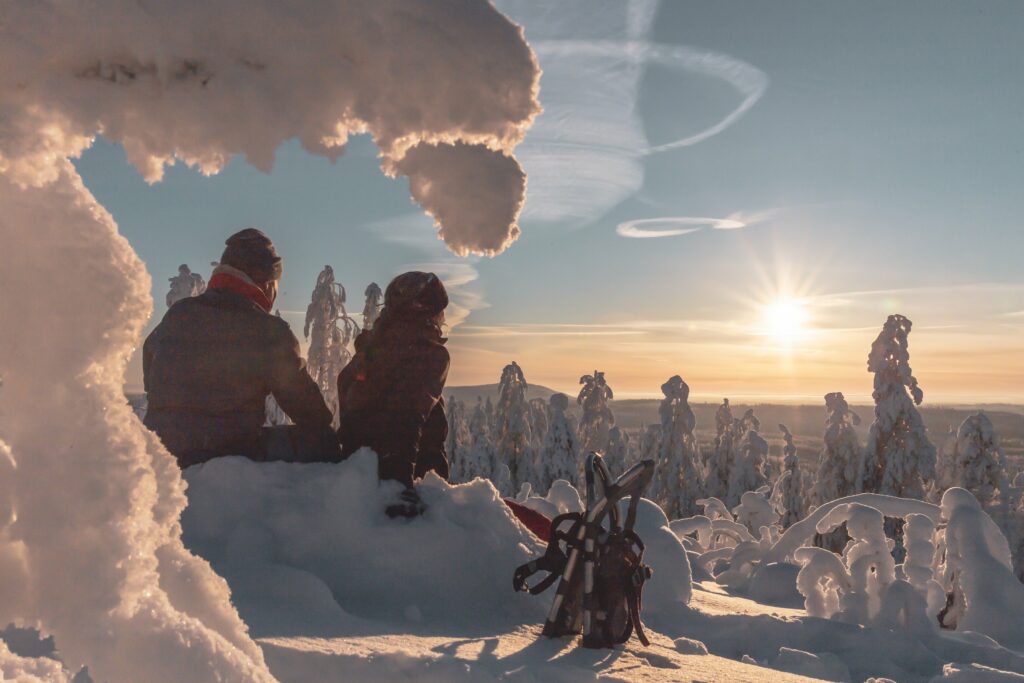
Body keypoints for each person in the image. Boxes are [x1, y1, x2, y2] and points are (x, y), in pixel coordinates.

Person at [144, 229, 338, 467]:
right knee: (324, 441)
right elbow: (310, 413)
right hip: (227, 455)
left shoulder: (178, 314)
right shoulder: (268, 330)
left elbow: (150, 374)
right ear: (267, 283)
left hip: (161, 453)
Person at [337, 271, 450, 516]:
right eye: (440, 311)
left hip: (358, 478)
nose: (443, 319)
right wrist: (399, 490)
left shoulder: (368, 353)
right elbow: (405, 418)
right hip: (413, 485)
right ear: (428, 313)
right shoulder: (428, 354)